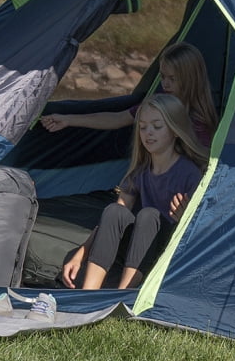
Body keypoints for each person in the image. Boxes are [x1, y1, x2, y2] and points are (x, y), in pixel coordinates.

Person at [60, 93, 204, 294]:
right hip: (138, 243)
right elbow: (112, 218)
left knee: (149, 214)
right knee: (114, 210)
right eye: (143, 127)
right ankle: (88, 293)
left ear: (175, 130)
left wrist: (184, 219)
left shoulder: (190, 173)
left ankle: (122, 294)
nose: (148, 133)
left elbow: (200, 231)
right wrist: (81, 253)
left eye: (157, 126)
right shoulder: (140, 172)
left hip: (166, 248)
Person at [38, 40, 217, 152]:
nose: (166, 83)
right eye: (162, 76)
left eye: (173, 79)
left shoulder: (199, 117)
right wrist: (68, 119)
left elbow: (202, 159)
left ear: (190, 78)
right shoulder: (159, 102)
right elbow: (118, 118)